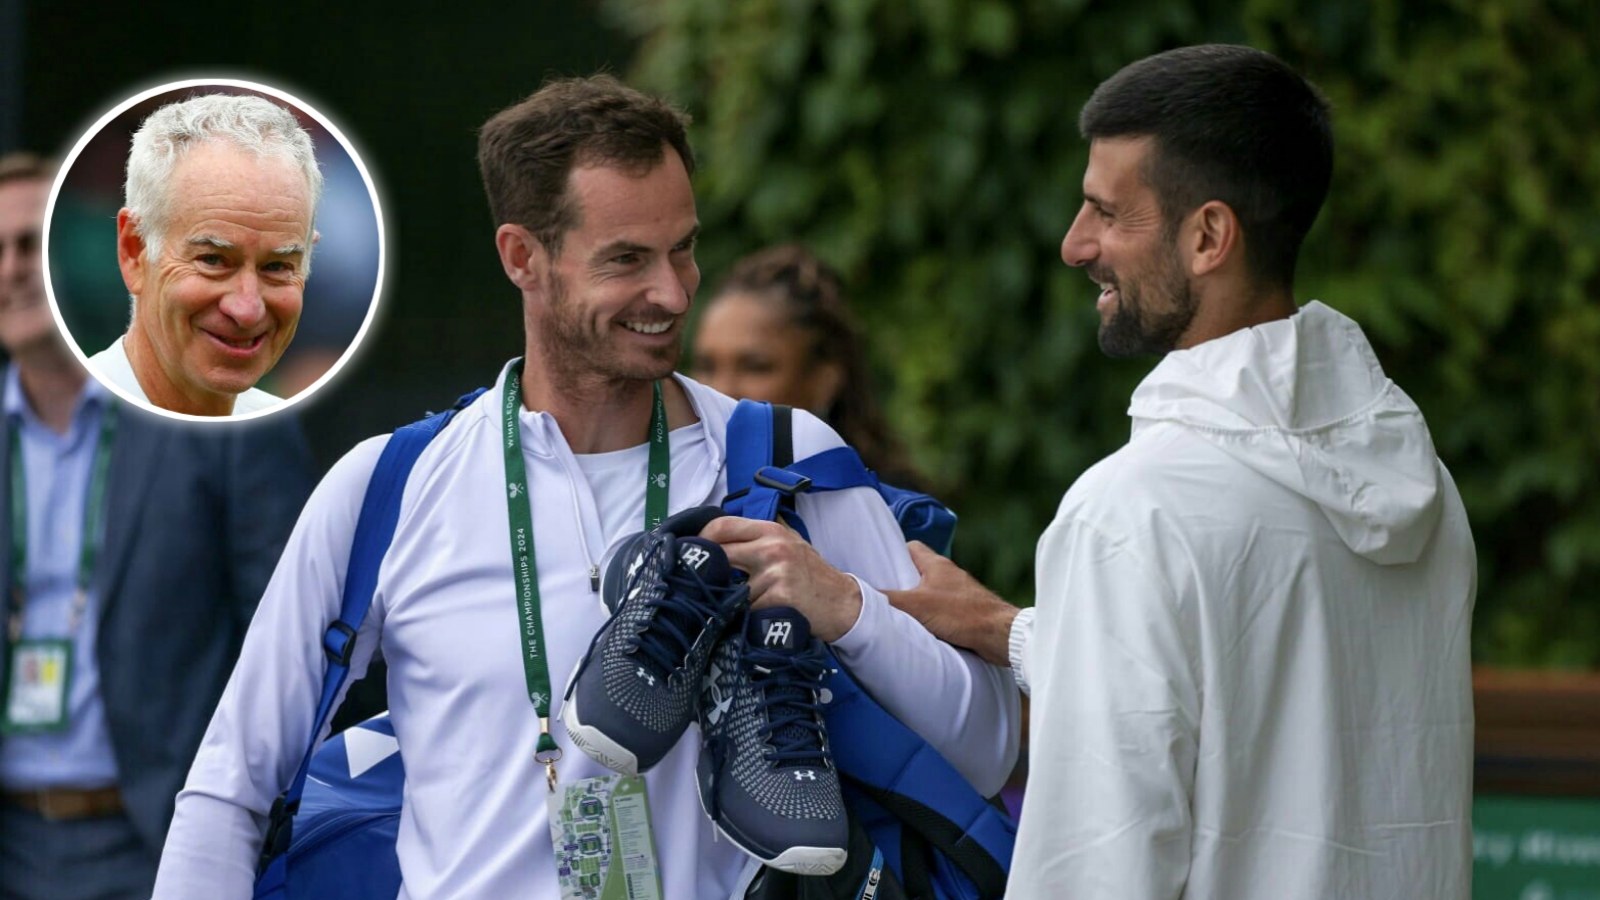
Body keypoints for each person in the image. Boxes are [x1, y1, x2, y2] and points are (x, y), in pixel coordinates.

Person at [152, 75, 1017, 899]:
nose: (672, 292)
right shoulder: (389, 486)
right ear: (523, 257)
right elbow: (232, 786)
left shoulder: (785, 460)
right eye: (628, 260)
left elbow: (985, 752)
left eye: (684, 249)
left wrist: (844, 605)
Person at [886, 45, 1475, 899]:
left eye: (1105, 213)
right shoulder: (1425, 491)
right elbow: (1278, 717)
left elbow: (1097, 865)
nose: (1073, 244)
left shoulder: (1129, 516)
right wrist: (1016, 632)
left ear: (1207, 236)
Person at [0, 152, 316, 900]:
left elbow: (291, 643)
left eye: (30, 243)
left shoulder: (223, 416)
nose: (14, 269)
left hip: (163, 843)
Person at [87, 93, 321, 417]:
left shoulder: (292, 442)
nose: (247, 310)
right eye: (212, 260)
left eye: (277, 266)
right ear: (134, 249)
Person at [692, 244, 922, 487]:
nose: (720, 389)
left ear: (824, 381)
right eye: (706, 366)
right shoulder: (671, 487)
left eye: (755, 367)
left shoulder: (891, 511)